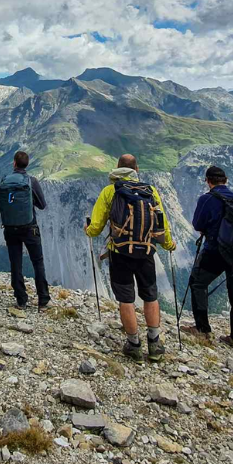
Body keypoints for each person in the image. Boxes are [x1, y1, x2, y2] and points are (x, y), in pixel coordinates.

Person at [84, 154, 175, 362]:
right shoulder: (150, 191)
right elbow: (163, 224)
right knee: (150, 296)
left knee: (126, 299)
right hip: (146, 253)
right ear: (137, 169)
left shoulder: (109, 191)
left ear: (116, 168)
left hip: (120, 253)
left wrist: (88, 230)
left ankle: (134, 345)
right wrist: (169, 244)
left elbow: (96, 227)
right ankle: (154, 343)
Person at [185, 165, 233, 349]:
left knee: (198, 283)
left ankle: (202, 330)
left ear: (208, 181)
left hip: (215, 251)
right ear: (226, 180)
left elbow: (197, 224)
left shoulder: (207, 198)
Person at [0, 150, 51, 311]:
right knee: (37, 262)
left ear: (14, 163)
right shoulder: (31, 181)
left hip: (10, 228)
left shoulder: (5, 180)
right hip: (29, 228)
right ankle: (43, 300)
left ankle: (21, 300)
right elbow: (42, 205)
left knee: (16, 263)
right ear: (27, 164)